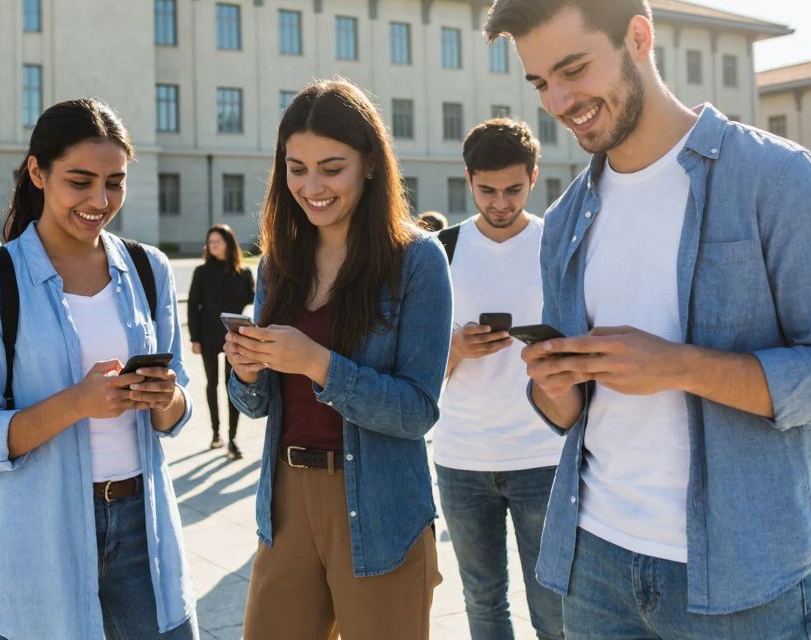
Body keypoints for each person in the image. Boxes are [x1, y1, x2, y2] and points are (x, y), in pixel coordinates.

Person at [486, 0, 811, 638]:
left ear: (639, 38)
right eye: (539, 82)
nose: (559, 102)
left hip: (742, 580)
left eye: (574, 69)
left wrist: (677, 366)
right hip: (592, 563)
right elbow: (569, 414)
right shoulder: (567, 220)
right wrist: (553, 385)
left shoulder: (777, 180)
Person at [0, 98, 197, 639]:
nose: (99, 200)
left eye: (115, 182)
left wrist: (165, 398)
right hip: (41, 536)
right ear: (37, 172)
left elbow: (180, 408)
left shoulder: (148, 269)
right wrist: (77, 404)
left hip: (144, 530)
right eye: (79, 182)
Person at [224, 79, 449, 640]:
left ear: (370, 164)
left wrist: (320, 363)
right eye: (296, 169)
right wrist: (247, 370)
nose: (311, 186)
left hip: (379, 505)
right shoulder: (278, 264)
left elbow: (418, 409)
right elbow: (255, 404)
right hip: (285, 502)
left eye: (331, 167)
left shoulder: (417, 261)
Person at [434, 118, 565, 640]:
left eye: (513, 189)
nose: (500, 202)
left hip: (543, 457)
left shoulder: (557, 246)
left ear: (535, 177)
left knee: (553, 610)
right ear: (468, 180)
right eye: (487, 190)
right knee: (483, 604)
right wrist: (456, 347)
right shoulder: (439, 251)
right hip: (460, 459)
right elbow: (413, 366)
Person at [187, 223, 255, 459]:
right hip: (207, 335)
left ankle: (232, 438)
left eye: (217, 241)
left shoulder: (244, 273)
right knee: (211, 383)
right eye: (210, 241)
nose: (212, 245)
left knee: (231, 385)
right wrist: (194, 338)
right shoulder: (202, 272)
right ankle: (216, 433)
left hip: (234, 337)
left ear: (228, 243)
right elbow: (193, 306)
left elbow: (253, 301)